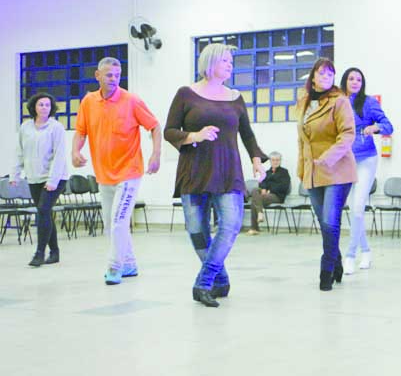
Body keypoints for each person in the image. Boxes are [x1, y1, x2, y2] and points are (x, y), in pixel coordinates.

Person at [164, 43, 267, 308]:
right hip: (194, 171)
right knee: (197, 231)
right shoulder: (186, 94)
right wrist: (194, 136)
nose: (230, 65)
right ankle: (220, 279)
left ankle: (204, 282)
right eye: (225, 60)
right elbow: (169, 131)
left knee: (231, 224)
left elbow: (247, 134)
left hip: (228, 171)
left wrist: (256, 160)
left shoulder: (235, 97)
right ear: (209, 63)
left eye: (231, 61)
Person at [72, 57, 161, 286]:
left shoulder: (131, 100)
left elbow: (154, 126)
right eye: (109, 75)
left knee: (119, 222)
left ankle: (115, 266)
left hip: (129, 172)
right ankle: (129, 263)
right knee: (110, 224)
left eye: (117, 75)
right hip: (104, 174)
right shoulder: (88, 102)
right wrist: (75, 151)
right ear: (98, 76)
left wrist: (156, 154)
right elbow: (81, 131)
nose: (113, 79)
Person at [297, 58, 356, 291]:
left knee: (331, 222)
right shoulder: (303, 102)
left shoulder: (339, 101)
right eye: (321, 73)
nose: (325, 78)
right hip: (312, 171)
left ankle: (327, 269)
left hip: (337, 170)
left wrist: (329, 157)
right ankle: (337, 262)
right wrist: (302, 168)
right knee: (324, 223)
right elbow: (302, 140)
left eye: (330, 74)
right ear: (313, 76)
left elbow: (348, 134)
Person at [340, 67, 393, 274]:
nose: (355, 82)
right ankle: (367, 251)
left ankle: (350, 255)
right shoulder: (338, 102)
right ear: (344, 81)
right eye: (351, 79)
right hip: (345, 160)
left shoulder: (369, 102)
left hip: (366, 159)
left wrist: (375, 127)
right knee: (353, 209)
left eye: (359, 80)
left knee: (358, 207)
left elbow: (388, 125)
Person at [10, 93, 69, 267]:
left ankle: (39, 253)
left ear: (51, 108)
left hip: (56, 178)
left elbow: (59, 155)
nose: (44, 108)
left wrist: (52, 180)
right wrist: (15, 174)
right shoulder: (25, 127)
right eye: (41, 104)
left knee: (43, 210)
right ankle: (55, 252)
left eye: (47, 105)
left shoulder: (56, 127)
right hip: (34, 177)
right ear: (34, 107)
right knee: (45, 212)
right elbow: (20, 152)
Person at [247, 151, 291, 235]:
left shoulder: (284, 172)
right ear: (270, 161)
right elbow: (261, 182)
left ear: (280, 161)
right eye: (273, 160)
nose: (275, 162)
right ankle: (260, 213)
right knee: (255, 190)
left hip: (277, 196)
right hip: (265, 196)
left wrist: (270, 190)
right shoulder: (267, 172)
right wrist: (263, 188)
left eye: (277, 160)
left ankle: (254, 228)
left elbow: (284, 186)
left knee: (254, 201)